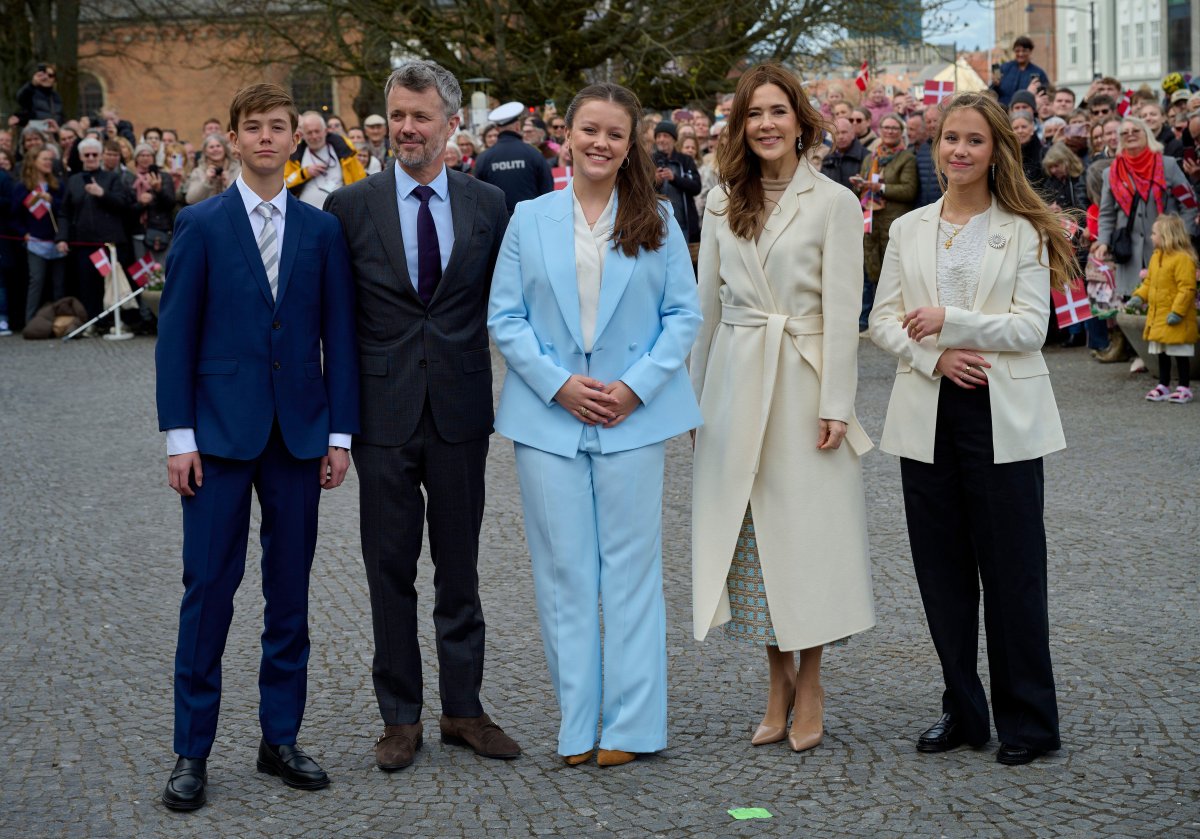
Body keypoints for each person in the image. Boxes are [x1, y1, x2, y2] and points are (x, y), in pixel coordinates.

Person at [154, 82, 359, 811]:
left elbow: (338, 333)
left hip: (300, 432)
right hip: (218, 432)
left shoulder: (321, 230)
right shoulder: (201, 225)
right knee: (208, 590)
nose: (268, 138)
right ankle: (191, 749)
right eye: (255, 128)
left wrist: (339, 432)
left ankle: (281, 737)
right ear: (234, 138)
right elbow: (175, 337)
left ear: (295, 139)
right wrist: (179, 436)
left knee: (290, 593)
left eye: (280, 127)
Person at [488, 82, 701, 768]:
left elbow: (684, 317)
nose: (600, 143)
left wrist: (636, 388)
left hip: (632, 417)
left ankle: (633, 724)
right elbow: (506, 317)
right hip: (549, 417)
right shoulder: (529, 218)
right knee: (563, 574)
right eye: (589, 130)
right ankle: (578, 723)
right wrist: (558, 383)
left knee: (632, 571)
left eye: (614, 132)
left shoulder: (659, 218)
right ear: (566, 136)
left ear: (630, 142)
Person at [323, 59, 520, 772]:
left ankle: (463, 709)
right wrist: (336, 427)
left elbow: (515, 307)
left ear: (450, 123)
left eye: (420, 116)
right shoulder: (348, 209)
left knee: (460, 568)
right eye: (397, 115)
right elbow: (334, 327)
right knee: (388, 569)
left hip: (462, 412)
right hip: (382, 415)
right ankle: (399, 716)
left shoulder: (488, 205)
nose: (406, 128)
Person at [868, 91, 1074, 766]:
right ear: (937, 146)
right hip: (928, 409)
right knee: (943, 572)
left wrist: (951, 321)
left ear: (996, 152)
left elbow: (1029, 327)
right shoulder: (908, 228)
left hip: (1002, 413)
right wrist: (936, 352)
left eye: (974, 140)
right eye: (950, 138)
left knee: (1013, 571)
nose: (959, 149)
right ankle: (963, 706)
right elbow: (881, 322)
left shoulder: (1022, 228)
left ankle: (1030, 720)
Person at [691, 63, 875, 755]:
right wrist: (692, 399)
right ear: (740, 126)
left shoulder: (834, 202)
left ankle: (814, 679)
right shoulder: (717, 202)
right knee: (750, 543)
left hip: (802, 386)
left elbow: (840, 312)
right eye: (752, 113)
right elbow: (703, 309)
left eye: (777, 111)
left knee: (807, 539)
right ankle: (776, 681)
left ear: (800, 120)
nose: (765, 124)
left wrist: (837, 402)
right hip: (736, 384)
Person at [1094, 116, 1197, 298]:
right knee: (1134, 311)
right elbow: (1107, 213)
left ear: (1146, 134)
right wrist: (1103, 241)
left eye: (1135, 131)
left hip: (1168, 250)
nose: (1130, 135)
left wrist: (1185, 236)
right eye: (1124, 133)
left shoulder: (1168, 165)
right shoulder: (1110, 173)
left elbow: (1189, 204)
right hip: (1129, 255)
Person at [57, 137, 134, 319]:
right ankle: (91, 321)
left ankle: (112, 322)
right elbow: (64, 213)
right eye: (87, 155)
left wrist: (103, 194)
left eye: (94, 154)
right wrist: (61, 238)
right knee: (87, 285)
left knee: (109, 284)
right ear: (81, 157)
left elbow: (124, 204)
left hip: (109, 244)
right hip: (83, 244)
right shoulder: (74, 180)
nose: (91, 158)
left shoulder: (112, 178)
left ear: (100, 156)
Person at [855, 113, 917, 331]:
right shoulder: (871, 157)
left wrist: (881, 188)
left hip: (893, 220)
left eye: (894, 128)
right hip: (871, 218)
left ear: (901, 133)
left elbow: (909, 190)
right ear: (880, 130)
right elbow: (864, 185)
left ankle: (892, 320)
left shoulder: (906, 158)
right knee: (871, 268)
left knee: (892, 271)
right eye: (886, 127)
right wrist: (860, 184)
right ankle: (870, 318)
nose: (890, 131)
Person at [1130, 214, 1197, 403]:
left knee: (1179, 353)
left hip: (1175, 317)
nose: (1151, 237)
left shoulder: (1183, 259)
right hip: (1159, 316)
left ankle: (1184, 386)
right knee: (1161, 351)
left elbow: (1187, 288)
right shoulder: (1156, 257)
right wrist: (1139, 297)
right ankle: (1163, 384)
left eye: (1154, 233)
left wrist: (1177, 312)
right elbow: (1150, 282)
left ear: (1167, 236)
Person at [12, 148, 67, 323]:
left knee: (59, 284)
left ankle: (60, 322)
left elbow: (65, 211)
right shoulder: (23, 187)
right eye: (44, 159)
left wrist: (52, 201)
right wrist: (24, 233)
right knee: (37, 281)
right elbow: (13, 216)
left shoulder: (56, 185)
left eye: (50, 160)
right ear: (33, 161)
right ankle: (31, 321)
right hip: (36, 242)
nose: (48, 163)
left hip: (57, 241)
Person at [473, 101, 554, 214]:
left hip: (497, 225)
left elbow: (477, 196)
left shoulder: (484, 158)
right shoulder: (533, 153)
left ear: (497, 129)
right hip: (530, 221)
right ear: (517, 126)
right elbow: (548, 192)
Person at [284, 111, 367, 208]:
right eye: (309, 133)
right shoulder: (295, 154)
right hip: (306, 215)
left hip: (339, 214)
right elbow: (285, 183)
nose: (314, 136)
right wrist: (304, 173)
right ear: (303, 135)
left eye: (317, 131)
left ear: (325, 131)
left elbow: (360, 179)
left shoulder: (344, 149)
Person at [652, 120, 701, 243]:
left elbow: (696, 187)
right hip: (656, 225)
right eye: (658, 136)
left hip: (683, 225)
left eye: (665, 136)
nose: (661, 139)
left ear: (674, 139)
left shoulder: (685, 160)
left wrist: (675, 178)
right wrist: (654, 182)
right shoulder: (648, 160)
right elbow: (640, 190)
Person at [990, 36, 1049, 108]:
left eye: (1024, 51)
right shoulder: (1004, 68)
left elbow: (1045, 95)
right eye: (1017, 51)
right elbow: (991, 92)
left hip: (1025, 112)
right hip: (1003, 111)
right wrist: (995, 85)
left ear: (1030, 51)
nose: (1020, 54)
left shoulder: (1039, 73)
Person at [183, 133, 240, 204]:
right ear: (205, 152)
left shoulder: (237, 169)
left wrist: (228, 183)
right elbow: (190, 200)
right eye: (211, 147)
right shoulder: (198, 171)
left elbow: (244, 197)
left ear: (225, 149)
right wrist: (207, 181)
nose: (215, 149)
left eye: (218, 146)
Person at [820, 116, 867, 191]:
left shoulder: (866, 157)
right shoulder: (827, 158)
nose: (840, 136)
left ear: (852, 134)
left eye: (844, 132)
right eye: (837, 133)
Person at [13, 64, 65, 128]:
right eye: (42, 75)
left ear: (54, 79)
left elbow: (61, 117)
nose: (46, 77)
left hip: (53, 133)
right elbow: (20, 98)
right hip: (35, 133)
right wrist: (32, 84)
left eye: (50, 75)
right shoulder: (30, 92)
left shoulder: (56, 97)